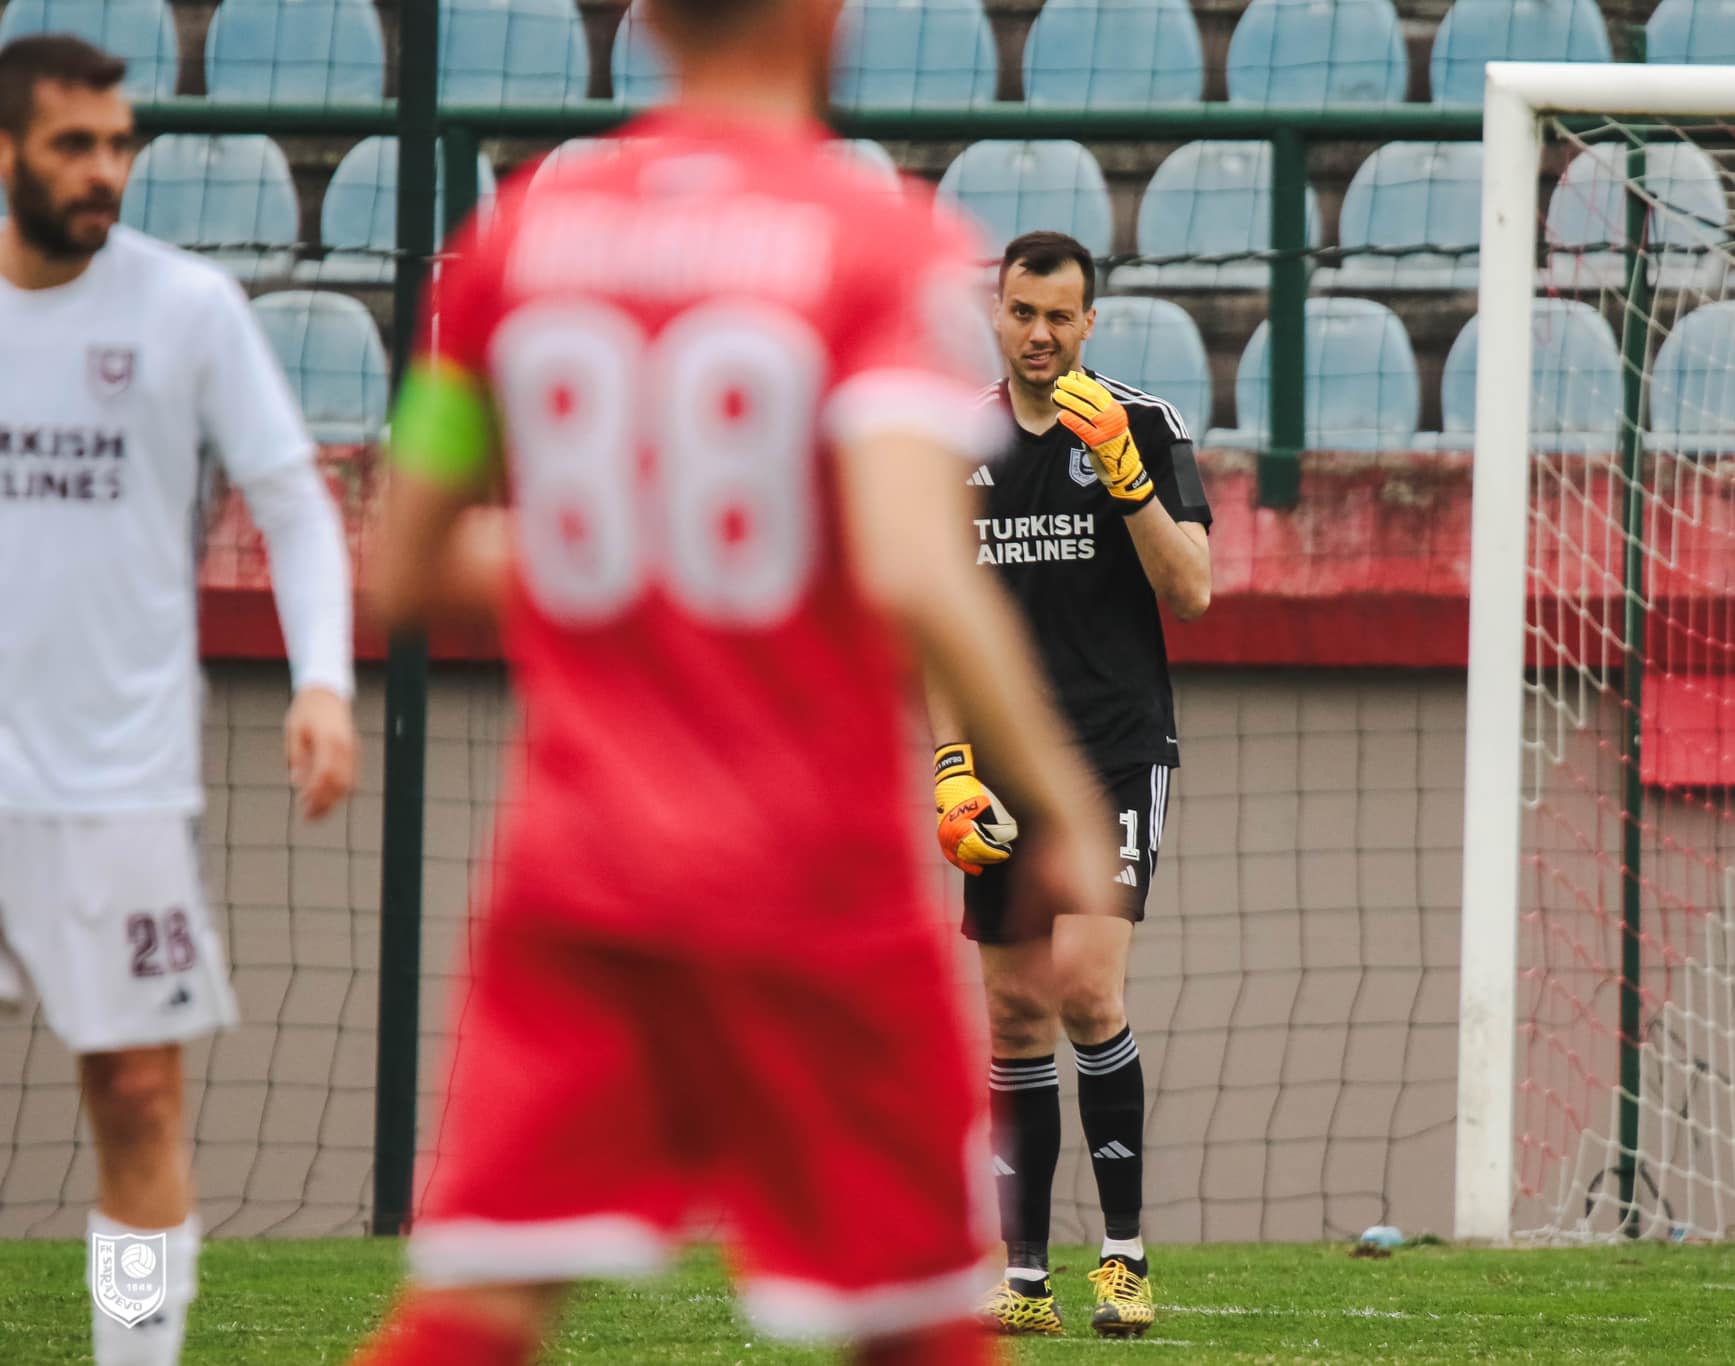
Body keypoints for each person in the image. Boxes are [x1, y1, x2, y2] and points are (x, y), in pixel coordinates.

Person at [350, 2, 1114, 1364]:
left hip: (576, 877)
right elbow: (911, 566)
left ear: (647, 23)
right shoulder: (878, 243)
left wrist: (627, 547)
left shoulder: (512, 242)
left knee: (471, 1315)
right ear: (825, 16)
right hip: (810, 886)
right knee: (924, 1324)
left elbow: (402, 565)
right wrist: (1060, 802)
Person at [0, 34, 359, 1366]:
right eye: (72, 146)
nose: (105, 171)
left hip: (122, 788)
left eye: (118, 145)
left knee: (140, 1094)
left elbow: (298, 509)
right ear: (5, 155)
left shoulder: (188, 307)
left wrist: (321, 680)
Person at [933, 232, 1213, 1338]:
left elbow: (1191, 590)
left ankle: (1125, 1261)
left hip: (1111, 748)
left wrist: (1131, 484)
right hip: (999, 759)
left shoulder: (1142, 424)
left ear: (1089, 322)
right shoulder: (956, 439)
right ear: (993, 314)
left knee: (1088, 990)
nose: (1038, 334)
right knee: (1010, 1014)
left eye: (1059, 315)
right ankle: (1025, 1279)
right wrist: (951, 768)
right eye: (1020, 312)